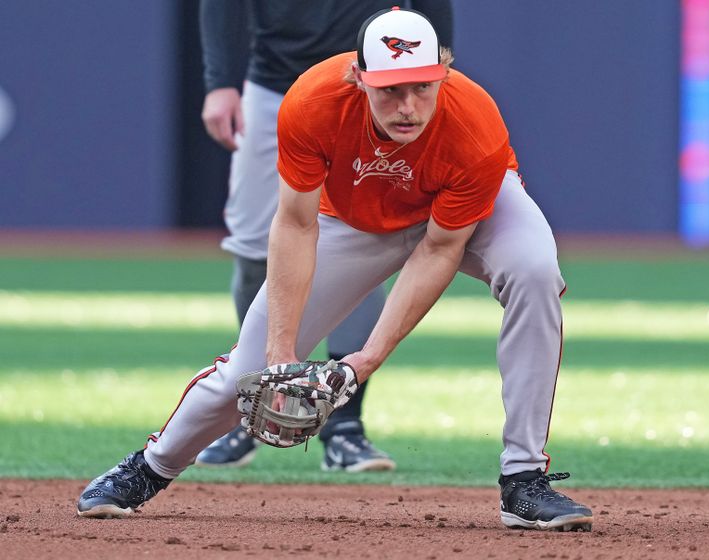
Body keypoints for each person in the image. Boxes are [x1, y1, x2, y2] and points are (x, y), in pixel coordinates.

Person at [77, 7, 594, 531]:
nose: (408, 106)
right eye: (389, 89)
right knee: (247, 370)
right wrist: (280, 357)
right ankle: (148, 468)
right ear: (358, 78)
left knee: (534, 272)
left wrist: (363, 362)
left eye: (421, 86)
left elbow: (439, 250)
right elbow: (296, 226)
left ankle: (523, 478)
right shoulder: (313, 101)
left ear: (442, 72)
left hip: (462, 212)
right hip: (356, 219)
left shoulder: (473, 121)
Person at [196, 0, 453, 471]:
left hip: (378, 89)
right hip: (274, 83)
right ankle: (253, 405)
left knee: (367, 242)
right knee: (256, 251)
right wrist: (221, 83)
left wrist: (432, 79)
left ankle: (344, 424)